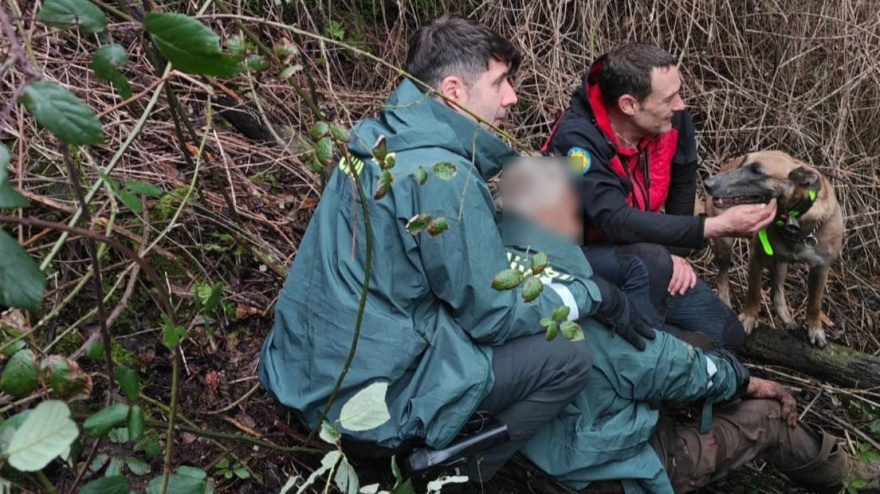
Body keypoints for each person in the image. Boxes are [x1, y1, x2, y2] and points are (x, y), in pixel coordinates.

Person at [259, 14, 653, 483]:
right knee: (569, 356)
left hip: (301, 371)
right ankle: (448, 474)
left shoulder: (377, 140)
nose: (512, 97)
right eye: (501, 82)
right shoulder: (444, 178)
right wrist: (593, 296)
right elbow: (492, 315)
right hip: (368, 404)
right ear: (452, 91)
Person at [499, 159, 879, 494]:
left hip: (543, 443)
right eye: (572, 203)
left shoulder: (502, 269)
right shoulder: (574, 291)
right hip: (599, 464)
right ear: (548, 215)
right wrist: (745, 381)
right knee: (768, 418)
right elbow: (651, 364)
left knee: (698, 342)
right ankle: (854, 478)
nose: (581, 212)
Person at [543, 43, 779, 351]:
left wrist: (672, 252)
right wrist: (713, 227)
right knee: (649, 264)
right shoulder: (577, 140)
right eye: (669, 98)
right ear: (629, 105)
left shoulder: (670, 119)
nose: (680, 105)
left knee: (729, 336)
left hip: (645, 252)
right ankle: (645, 351)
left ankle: (655, 333)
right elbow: (613, 220)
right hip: (582, 260)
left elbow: (683, 177)